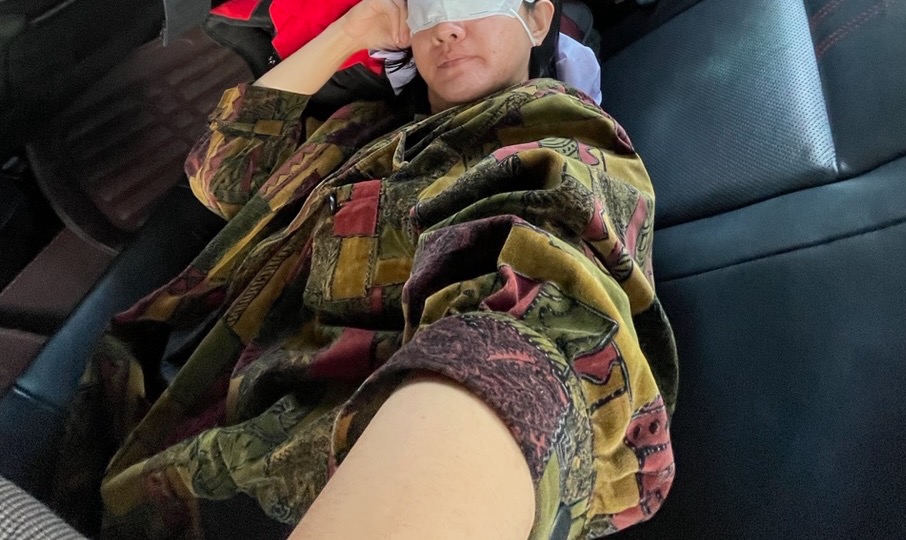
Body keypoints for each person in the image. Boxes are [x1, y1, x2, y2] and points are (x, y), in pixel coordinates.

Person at [53, 1, 679, 538]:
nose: (447, 26)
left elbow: (546, 320)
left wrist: (472, 433)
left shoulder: (560, 137)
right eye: (427, 7)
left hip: (258, 488)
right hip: (134, 400)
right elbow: (220, 174)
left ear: (537, 19)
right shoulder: (358, 123)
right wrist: (355, 30)